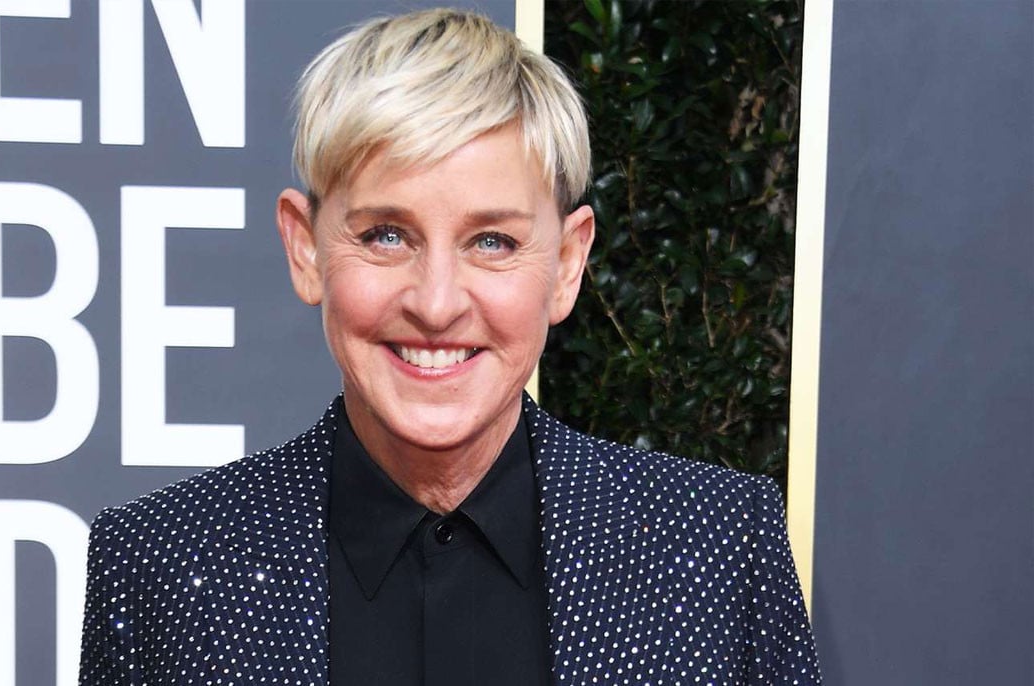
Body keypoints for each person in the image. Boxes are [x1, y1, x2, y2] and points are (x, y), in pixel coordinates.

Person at [78, 8, 820, 685]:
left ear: (567, 264)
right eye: (386, 236)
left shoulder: (719, 548)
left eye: (492, 241)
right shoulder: (157, 565)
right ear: (306, 250)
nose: (436, 304)